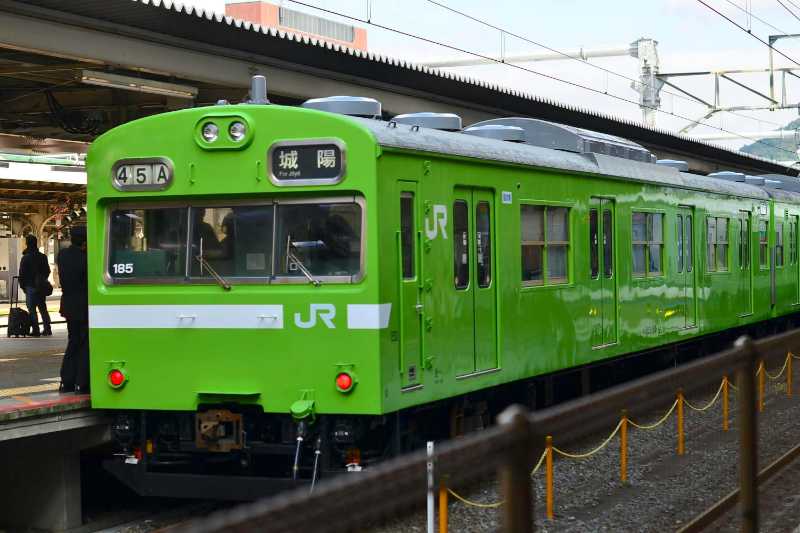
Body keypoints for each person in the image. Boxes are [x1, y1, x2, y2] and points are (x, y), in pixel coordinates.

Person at [57, 226, 89, 393]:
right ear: (84, 242)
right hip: (83, 306)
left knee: (73, 341)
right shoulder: (86, 258)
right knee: (84, 343)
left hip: (68, 304)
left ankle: (66, 380)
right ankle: (82, 382)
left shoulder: (62, 255)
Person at [18, 234, 52, 337]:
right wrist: (41, 280)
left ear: (27, 244)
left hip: (30, 287)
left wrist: (23, 286)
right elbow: (48, 271)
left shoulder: (25, 258)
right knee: (43, 308)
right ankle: (47, 329)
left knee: (32, 309)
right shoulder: (43, 257)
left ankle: (36, 330)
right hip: (41, 287)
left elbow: (22, 274)